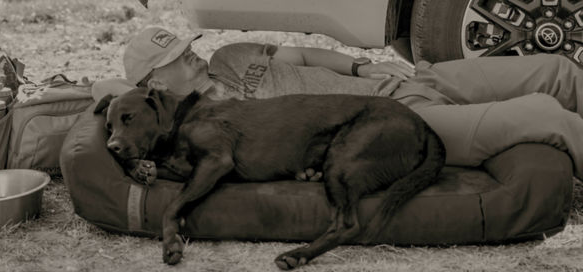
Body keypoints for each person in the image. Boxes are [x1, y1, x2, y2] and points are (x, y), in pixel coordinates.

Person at [95, 25, 583, 182]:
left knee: (560, 69)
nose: (194, 54)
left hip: (415, 82)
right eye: (181, 58)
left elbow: (303, 52)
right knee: (544, 114)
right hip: (405, 121)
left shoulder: (230, 55)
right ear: (153, 83)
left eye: (188, 46)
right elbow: (104, 95)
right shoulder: (196, 133)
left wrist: (361, 67)